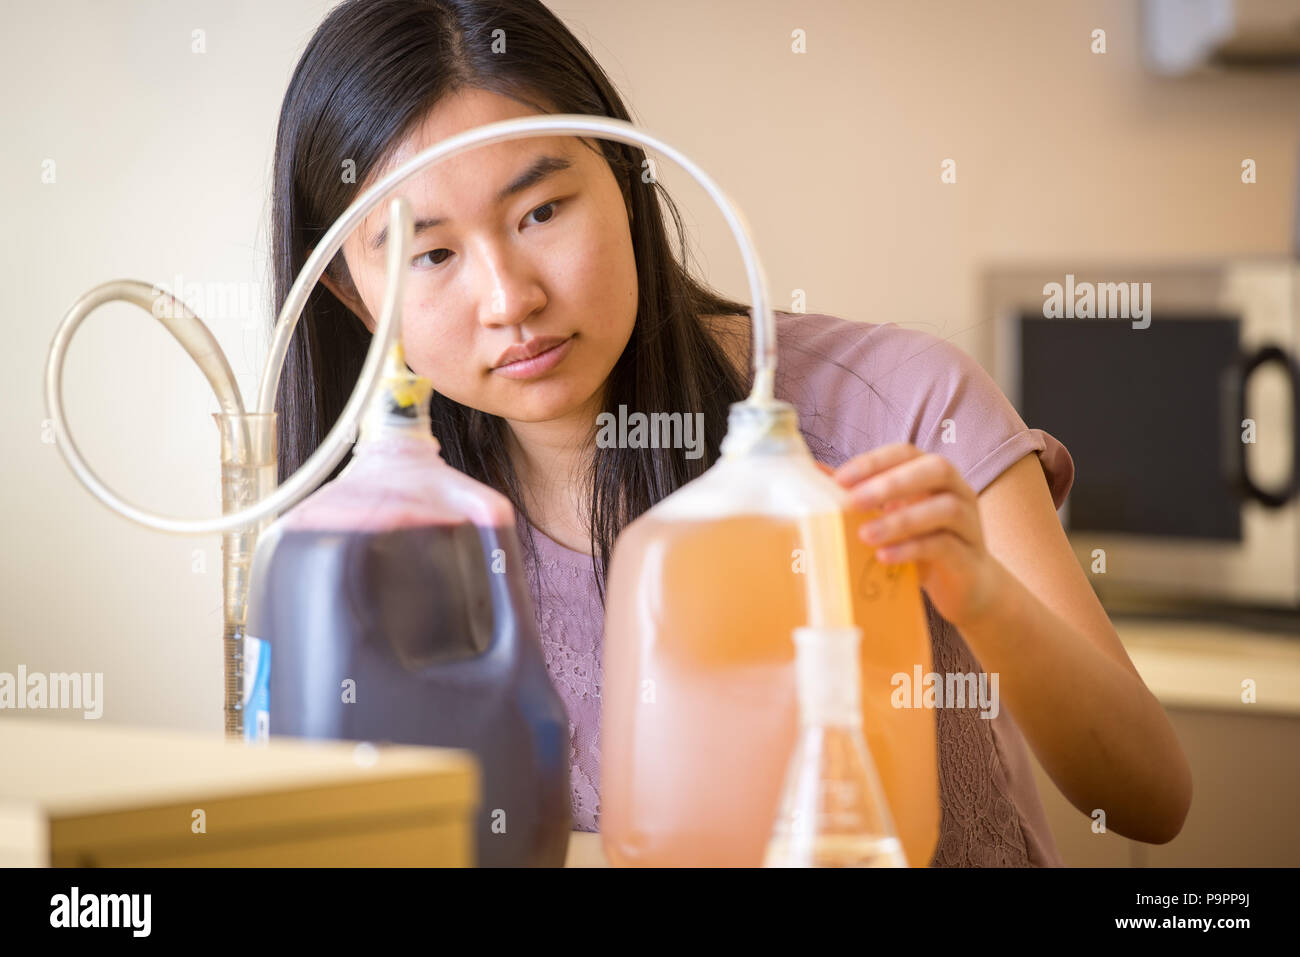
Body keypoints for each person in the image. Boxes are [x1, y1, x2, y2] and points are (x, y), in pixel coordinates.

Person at [270, 0, 1191, 865]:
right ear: (357, 296)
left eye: (542, 211)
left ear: (626, 179)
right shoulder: (390, 543)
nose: (511, 299)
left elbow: (1148, 798)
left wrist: (981, 595)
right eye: (433, 255)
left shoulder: (899, 404)